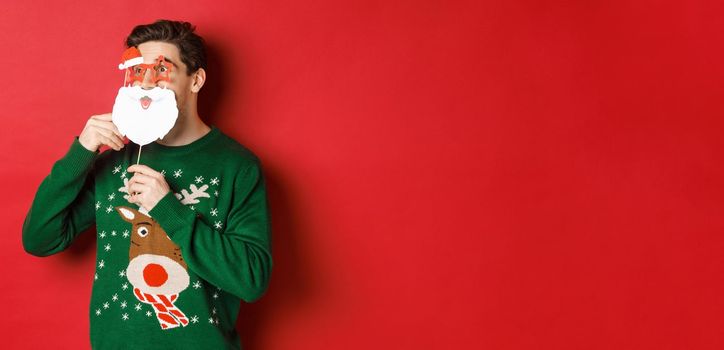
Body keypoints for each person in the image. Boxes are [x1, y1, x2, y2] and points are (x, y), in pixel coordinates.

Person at [22, 19, 272, 349]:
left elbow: (252, 280)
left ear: (195, 80)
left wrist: (167, 209)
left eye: (161, 70)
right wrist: (80, 153)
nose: (148, 83)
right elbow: (39, 239)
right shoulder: (114, 160)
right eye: (138, 72)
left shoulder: (237, 167)